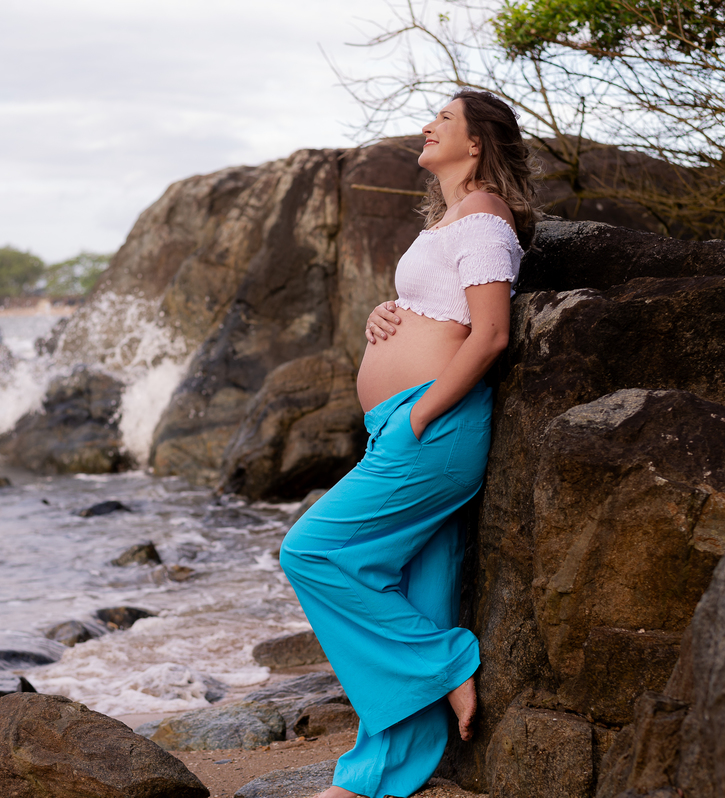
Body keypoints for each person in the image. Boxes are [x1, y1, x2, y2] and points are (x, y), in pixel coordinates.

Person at [279, 89, 536, 798]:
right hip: (405, 426)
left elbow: (490, 333)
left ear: (477, 142)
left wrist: (420, 413)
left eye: (444, 119)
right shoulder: (452, 221)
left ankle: (445, 663)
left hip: (432, 428)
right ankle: (373, 776)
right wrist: (385, 315)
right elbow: (440, 308)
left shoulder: (484, 215)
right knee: (412, 594)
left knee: (311, 552)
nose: (428, 126)